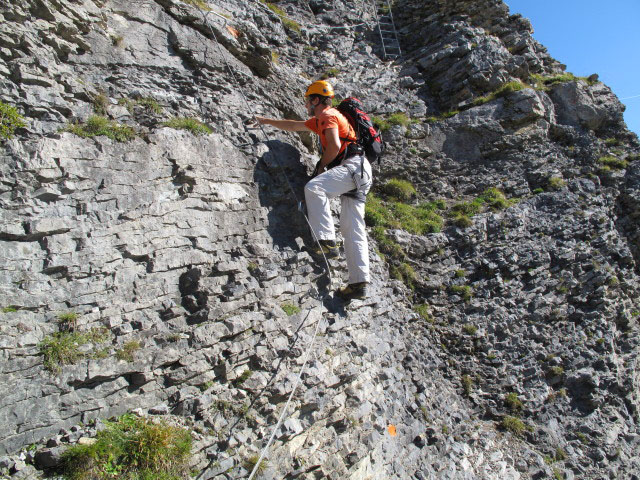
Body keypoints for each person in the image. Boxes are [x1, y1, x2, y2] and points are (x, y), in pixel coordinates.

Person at [255, 80, 372, 300]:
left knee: (315, 187)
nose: (306, 104)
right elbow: (293, 126)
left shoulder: (328, 115)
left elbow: (334, 146)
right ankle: (359, 283)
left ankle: (326, 240)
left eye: (309, 100)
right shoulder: (322, 120)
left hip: (352, 167)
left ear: (316, 100)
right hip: (361, 171)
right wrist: (265, 121)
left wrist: (320, 167)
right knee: (353, 228)